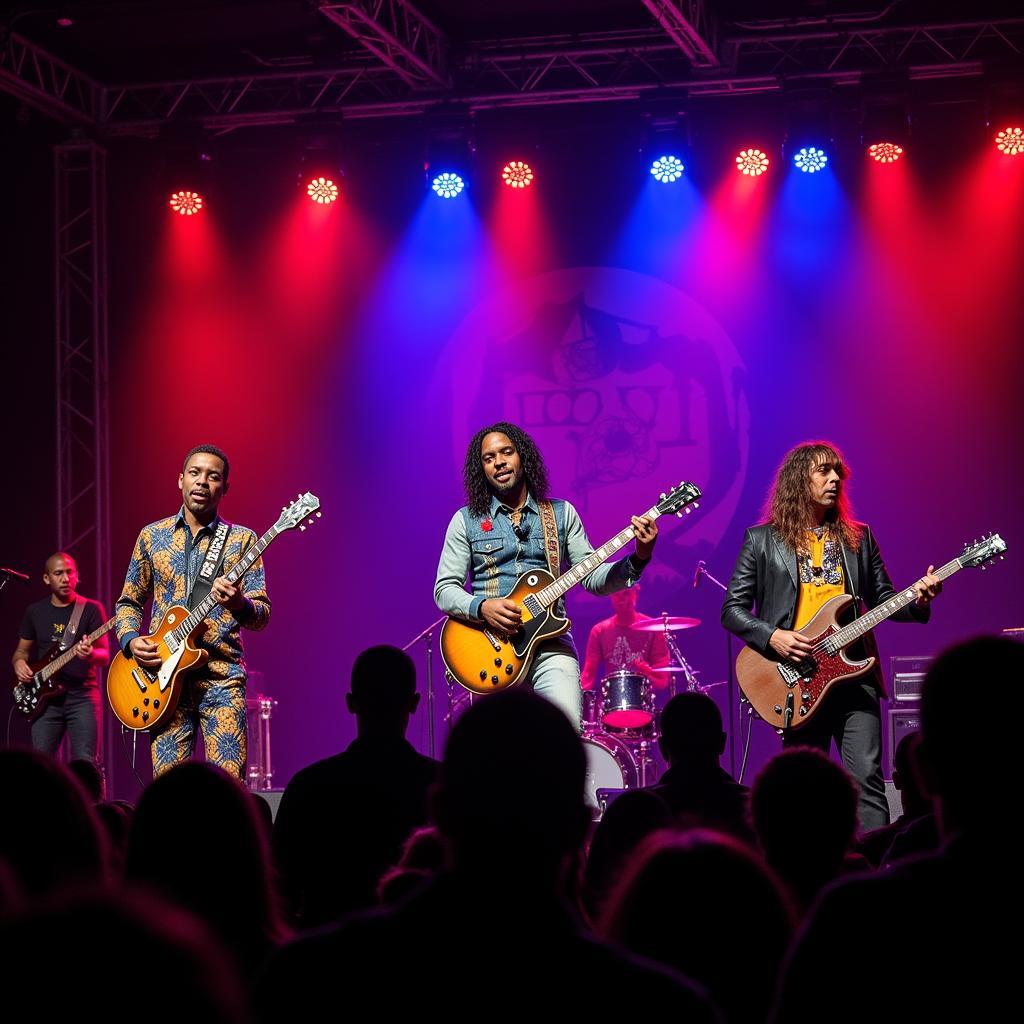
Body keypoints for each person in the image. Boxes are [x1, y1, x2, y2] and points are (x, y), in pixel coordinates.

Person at [721, 441, 941, 829]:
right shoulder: (761, 540)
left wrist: (919, 601)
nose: (835, 478)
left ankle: (875, 868)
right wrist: (773, 637)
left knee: (868, 782)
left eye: (838, 471)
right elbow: (732, 611)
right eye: (824, 471)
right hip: (796, 679)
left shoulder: (858, 537)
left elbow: (886, 600)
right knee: (804, 790)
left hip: (855, 677)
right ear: (798, 480)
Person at [434, 422, 658, 729]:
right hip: (492, 648)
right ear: (482, 468)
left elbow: (592, 577)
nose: (499, 461)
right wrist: (482, 608)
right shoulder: (466, 521)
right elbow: (444, 589)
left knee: (564, 737)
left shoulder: (561, 514)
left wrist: (639, 556)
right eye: (489, 458)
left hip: (551, 643)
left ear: (522, 457)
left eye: (506, 452)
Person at [114, 444, 271, 778]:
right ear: (181, 480)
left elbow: (262, 615)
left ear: (224, 488)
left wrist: (239, 604)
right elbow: (128, 602)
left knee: (228, 790)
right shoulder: (151, 537)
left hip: (221, 678)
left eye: (213, 477)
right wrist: (130, 640)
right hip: (161, 681)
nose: (202, 482)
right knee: (168, 793)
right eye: (195, 473)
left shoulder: (242, 541)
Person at [272, 645, 440, 928]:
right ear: (414, 703)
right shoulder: (441, 788)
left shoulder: (309, 786)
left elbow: (280, 889)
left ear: (351, 703)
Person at [12, 552, 109, 763]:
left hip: (83, 697)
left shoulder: (91, 609)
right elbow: (21, 652)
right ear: (47, 578)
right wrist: (19, 663)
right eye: (58, 573)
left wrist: (91, 654)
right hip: (45, 700)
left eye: (69, 572)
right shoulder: (35, 611)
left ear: (77, 575)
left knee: (87, 763)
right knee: (41, 765)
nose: (65, 578)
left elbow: (104, 656)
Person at [580, 585, 670, 693]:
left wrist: (647, 672)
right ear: (611, 597)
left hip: (643, 698)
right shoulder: (599, 631)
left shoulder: (653, 630)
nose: (622, 599)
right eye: (616, 595)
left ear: (635, 594)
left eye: (626, 593)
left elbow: (662, 681)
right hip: (613, 699)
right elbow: (588, 675)